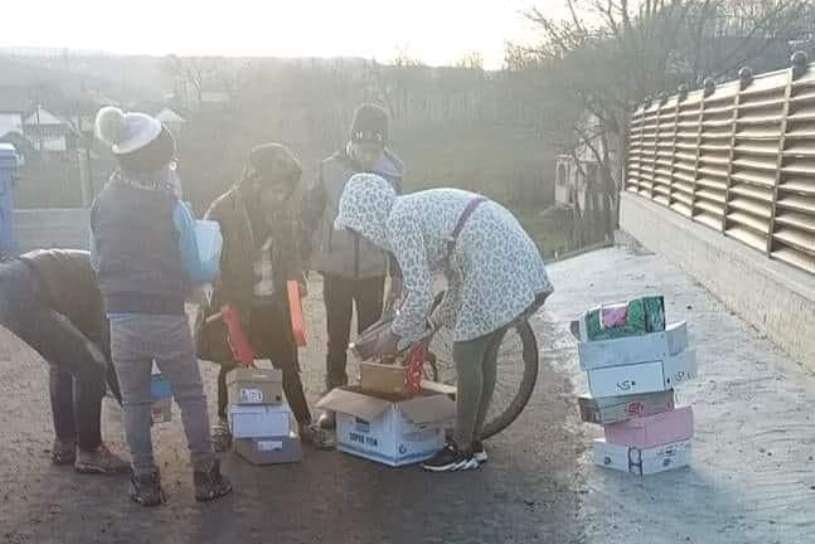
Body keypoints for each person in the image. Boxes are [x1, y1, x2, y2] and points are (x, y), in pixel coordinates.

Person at [334, 174, 554, 473]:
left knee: (466, 353)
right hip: (498, 242)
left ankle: (461, 447)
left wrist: (393, 336)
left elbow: (421, 294)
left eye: (358, 229)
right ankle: (472, 442)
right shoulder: (407, 209)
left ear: (365, 216)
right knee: (484, 353)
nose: (364, 236)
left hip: (489, 250)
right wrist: (431, 325)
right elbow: (453, 284)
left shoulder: (397, 221)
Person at [91, 106, 231, 506]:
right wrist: (213, 259)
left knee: (134, 401)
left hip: (121, 318)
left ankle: (146, 481)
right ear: (159, 161)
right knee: (190, 395)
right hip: (167, 315)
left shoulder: (102, 203)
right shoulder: (172, 207)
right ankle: (206, 477)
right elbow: (194, 264)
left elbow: (96, 262)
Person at [196, 143, 317, 450]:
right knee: (232, 363)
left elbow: (291, 253)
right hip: (236, 303)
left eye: (285, 190)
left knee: (287, 363)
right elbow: (208, 260)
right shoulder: (223, 210)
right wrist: (221, 299)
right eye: (275, 189)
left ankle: (305, 423)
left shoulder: (283, 211)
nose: (281, 196)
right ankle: (224, 421)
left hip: (274, 302)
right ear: (255, 181)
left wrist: (296, 280)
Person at [303, 103, 405, 429]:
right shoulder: (328, 169)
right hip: (336, 268)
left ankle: (369, 401)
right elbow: (309, 214)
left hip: (374, 269)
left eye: (375, 149)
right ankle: (333, 401)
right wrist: (300, 258)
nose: (368, 156)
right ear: (352, 140)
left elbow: (398, 225)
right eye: (363, 147)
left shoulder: (392, 172)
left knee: (372, 338)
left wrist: (397, 273)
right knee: (336, 335)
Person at [0, 249, 128, 474]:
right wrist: (132, 403)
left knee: (67, 359)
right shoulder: (100, 284)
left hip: (12, 283)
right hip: (22, 289)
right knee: (91, 366)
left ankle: (66, 443)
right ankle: (90, 450)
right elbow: (104, 354)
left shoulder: (91, 267)